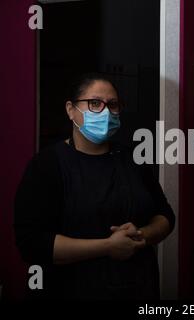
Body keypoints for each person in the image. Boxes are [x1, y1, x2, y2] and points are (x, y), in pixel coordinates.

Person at [13, 73, 175, 300]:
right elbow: (32, 243)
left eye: (113, 105)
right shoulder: (47, 165)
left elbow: (165, 215)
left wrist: (141, 236)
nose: (106, 112)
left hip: (139, 290)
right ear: (71, 110)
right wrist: (108, 246)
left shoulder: (133, 159)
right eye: (95, 104)